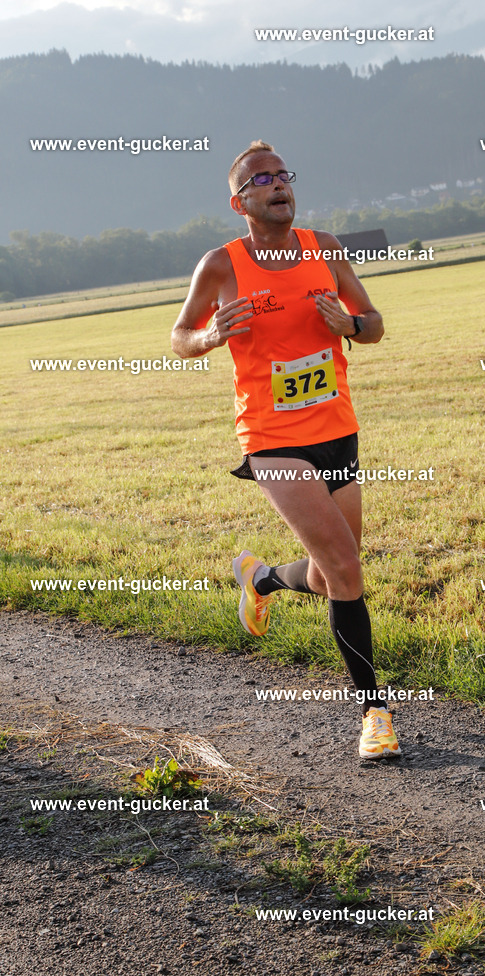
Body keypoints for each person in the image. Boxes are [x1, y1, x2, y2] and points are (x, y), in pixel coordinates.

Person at [171, 140, 400, 759]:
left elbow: (375, 322)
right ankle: (374, 714)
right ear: (239, 201)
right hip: (273, 438)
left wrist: (350, 326)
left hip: (336, 429)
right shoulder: (221, 264)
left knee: (331, 576)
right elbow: (178, 337)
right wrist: (210, 336)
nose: (278, 185)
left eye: (283, 175)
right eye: (260, 179)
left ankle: (262, 578)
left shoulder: (325, 249)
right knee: (350, 572)